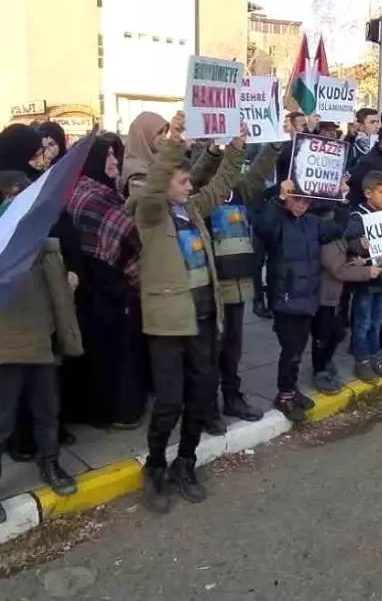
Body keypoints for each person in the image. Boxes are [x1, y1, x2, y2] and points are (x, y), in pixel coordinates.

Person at [132, 115, 245, 514]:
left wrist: (235, 147)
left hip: (202, 320)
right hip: (167, 325)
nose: (189, 185)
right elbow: (154, 184)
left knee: (200, 396)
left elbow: (220, 184)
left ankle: (186, 463)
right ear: (165, 184)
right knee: (169, 402)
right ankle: (155, 467)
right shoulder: (150, 214)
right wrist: (175, 141)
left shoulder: (192, 210)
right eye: (181, 181)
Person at [0, 170, 84, 524]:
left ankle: (50, 463)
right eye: (12, 196)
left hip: (42, 336)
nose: (22, 200)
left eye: (25, 193)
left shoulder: (39, 239)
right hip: (5, 343)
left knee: (47, 410)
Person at [190, 136, 279, 432]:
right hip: (213, 284)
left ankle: (232, 397)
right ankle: (208, 408)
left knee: (233, 348)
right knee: (211, 350)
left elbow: (256, 176)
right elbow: (200, 174)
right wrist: (214, 153)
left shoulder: (237, 190)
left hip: (239, 280)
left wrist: (274, 148)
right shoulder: (199, 195)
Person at [62, 132, 147, 431]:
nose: (114, 161)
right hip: (98, 286)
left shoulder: (94, 190)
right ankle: (112, 411)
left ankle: (99, 409)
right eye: (108, 156)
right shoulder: (89, 195)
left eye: (115, 154)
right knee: (108, 355)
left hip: (102, 285)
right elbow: (127, 238)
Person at [255, 179, 346, 420]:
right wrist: (278, 199)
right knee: (291, 350)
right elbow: (263, 228)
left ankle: (291, 389)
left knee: (298, 348)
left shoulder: (314, 223)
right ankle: (284, 394)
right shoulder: (278, 221)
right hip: (285, 297)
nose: (302, 205)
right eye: (297, 199)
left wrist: (342, 199)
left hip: (308, 298)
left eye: (307, 200)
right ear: (288, 197)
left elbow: (339, 228)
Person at [346, 171, 382, 381]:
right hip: (366, 279)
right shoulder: (358, 216)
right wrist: (359, 247)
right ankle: (362, 359)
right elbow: (346, 243)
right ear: (368, 193)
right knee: (363, 321)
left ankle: (375, 355)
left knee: (377, 321)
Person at [316, 225, 382, 393]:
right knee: (324, 335)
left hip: (336, 293)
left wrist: (354, 259)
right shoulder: (329, 236)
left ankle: (326, 364)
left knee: (337, 332)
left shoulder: (340, 236)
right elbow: (336, 269)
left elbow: (342, 260)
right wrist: (366, 272)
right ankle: (320, 371)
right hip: (323, 293)